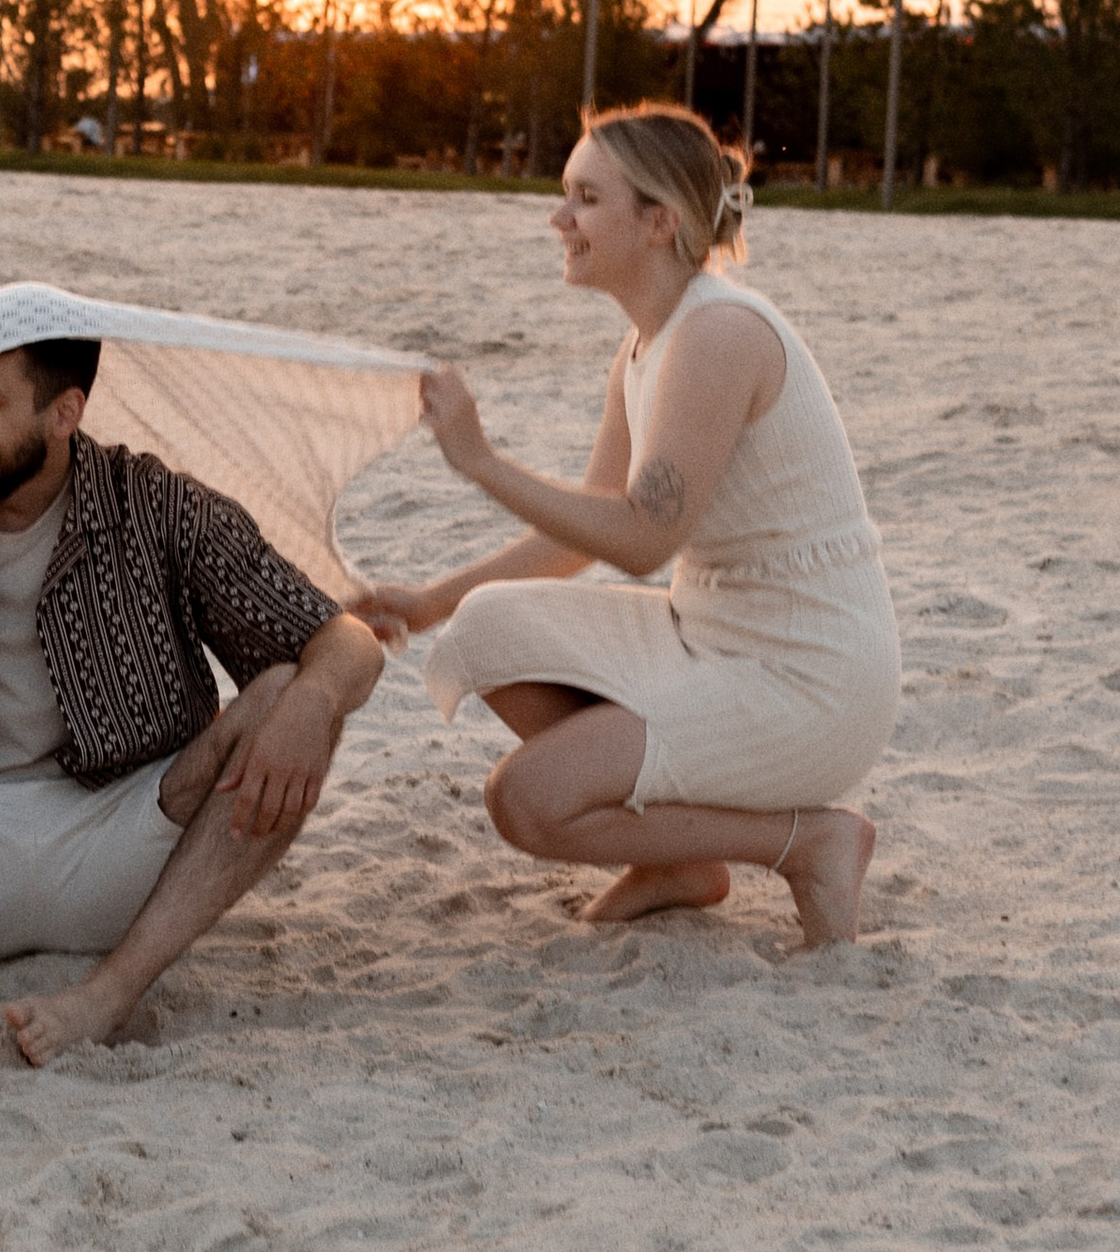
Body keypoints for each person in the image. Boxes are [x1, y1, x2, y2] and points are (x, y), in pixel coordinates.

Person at [0, 336, 383, 1153]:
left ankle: (112, 993)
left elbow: (347, 640)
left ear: (65, 413)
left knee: (285, 693)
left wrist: (315, 698)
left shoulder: (156, 506)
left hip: (126, 848)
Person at [356, 106, 899, 952]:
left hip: (809, 678)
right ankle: (680, 862)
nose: (558, 218)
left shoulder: (718, 334)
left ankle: (807, 841)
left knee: (525, 801)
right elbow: (584, 532)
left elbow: (643, 540)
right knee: (484, 628)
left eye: (584, 198)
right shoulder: (648, 343)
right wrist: (426, 604)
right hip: (710, 635)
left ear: (659, 222)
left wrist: (481, 461)